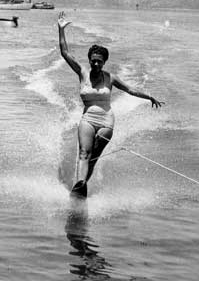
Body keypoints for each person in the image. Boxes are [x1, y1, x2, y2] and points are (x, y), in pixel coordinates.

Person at [58, 11, 164, 196]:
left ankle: (82, 183)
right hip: (87, 119)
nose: (96, 64)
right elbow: (65, 53)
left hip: (106, 120)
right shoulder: (82, 73)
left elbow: (130, 90)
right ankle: (80, 184)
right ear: (89, 60)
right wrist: (61, 30)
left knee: (94, 155)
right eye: (93, 61)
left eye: (100, 61)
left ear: (104, 62)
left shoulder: (110, 78)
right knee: (84, 153)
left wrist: (149, 97)